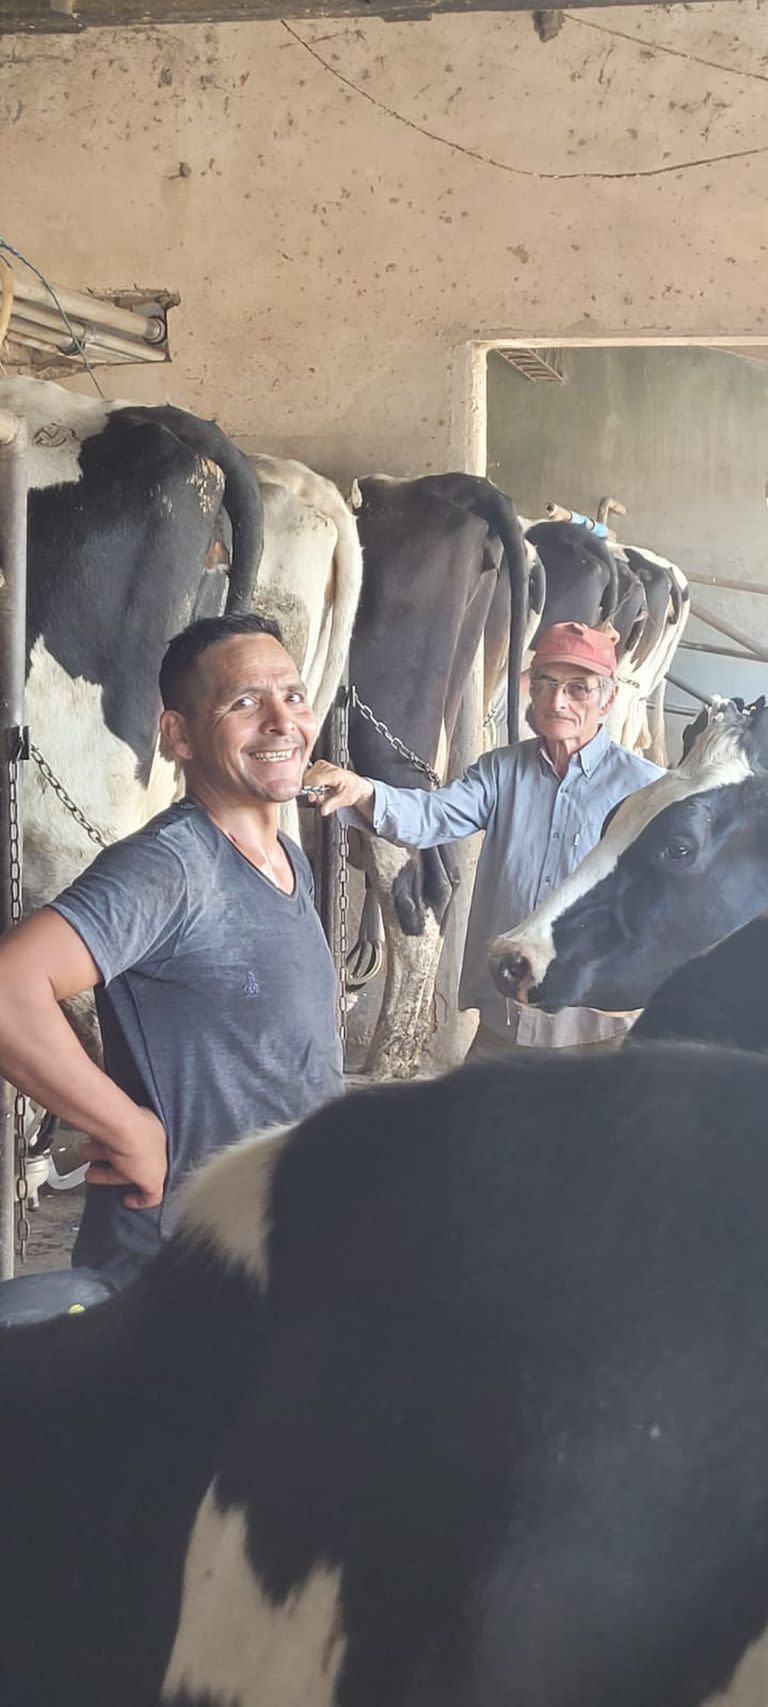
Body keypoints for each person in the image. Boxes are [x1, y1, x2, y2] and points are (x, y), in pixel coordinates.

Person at [0, 612, 343, 1319]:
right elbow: (9, 989)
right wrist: (128, 1128)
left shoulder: (287, 857)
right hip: (178, 1269)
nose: (282, 720)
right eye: (244, 702)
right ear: (179, 734)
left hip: (270, 1241)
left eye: (293, 694)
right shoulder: (172, 866)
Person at [305, 621, 664, 1058]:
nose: (558, 700)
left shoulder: (648, 791)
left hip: (592, 1032)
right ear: (530, 690)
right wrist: (363, 789)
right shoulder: (501, 771)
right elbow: (431, 815)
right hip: (504, 1022)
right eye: (546, 682)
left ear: (608, 698)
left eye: (579, 688)